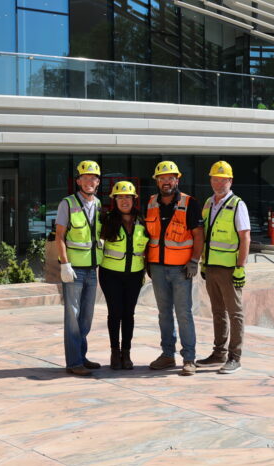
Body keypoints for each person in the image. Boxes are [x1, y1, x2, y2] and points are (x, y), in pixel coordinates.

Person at [145, 160, 204, 375]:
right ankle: (167, 355)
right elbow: (148, 236)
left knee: (183, 314)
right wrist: (147, 262)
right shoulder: (150, 203)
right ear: (157, 181)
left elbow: (198, 235)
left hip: (181, 270)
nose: (166, 182)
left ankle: (189, 358)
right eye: (162, 178)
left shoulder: (190, 203)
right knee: (164, 314)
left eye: (170, 178)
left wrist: (194, 261)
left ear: (177, 180)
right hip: (158, 268)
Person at [198, 161, 250, 374]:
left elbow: (245, 237)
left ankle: (235, 357)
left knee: (235, 313)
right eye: (215, 179)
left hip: (229, 269)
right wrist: (203, 263)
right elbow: (205, 235)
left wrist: (240, 267)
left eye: (222, 180)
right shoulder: (208, 203)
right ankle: (218, 353)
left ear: (230, 181)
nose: (218, 183)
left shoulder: (238, 205)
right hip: (211, 266)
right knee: (218, 312)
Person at [55, 160, 102, 376]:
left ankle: (81, 356)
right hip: (74, 269)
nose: (89, 181)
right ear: (78, 181)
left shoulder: (98, 204)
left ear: (98, 182)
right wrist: (64, 263)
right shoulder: (67, 203)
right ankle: (74, 362)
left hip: (92, 269)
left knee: (86, 317)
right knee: (73, 317)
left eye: (93, 178)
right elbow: (60, 235)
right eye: (85, 178)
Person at [98, 181, 148, 370]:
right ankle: (114, 352)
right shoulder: (107, 219)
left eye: (128, 197)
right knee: (115, 313)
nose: (124, 201)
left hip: (134, 275)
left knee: (129, 314)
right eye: (120, 197)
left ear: (134, 199)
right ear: (114, 200)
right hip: (110, 275)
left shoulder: (143, 220)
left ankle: (126, 353)